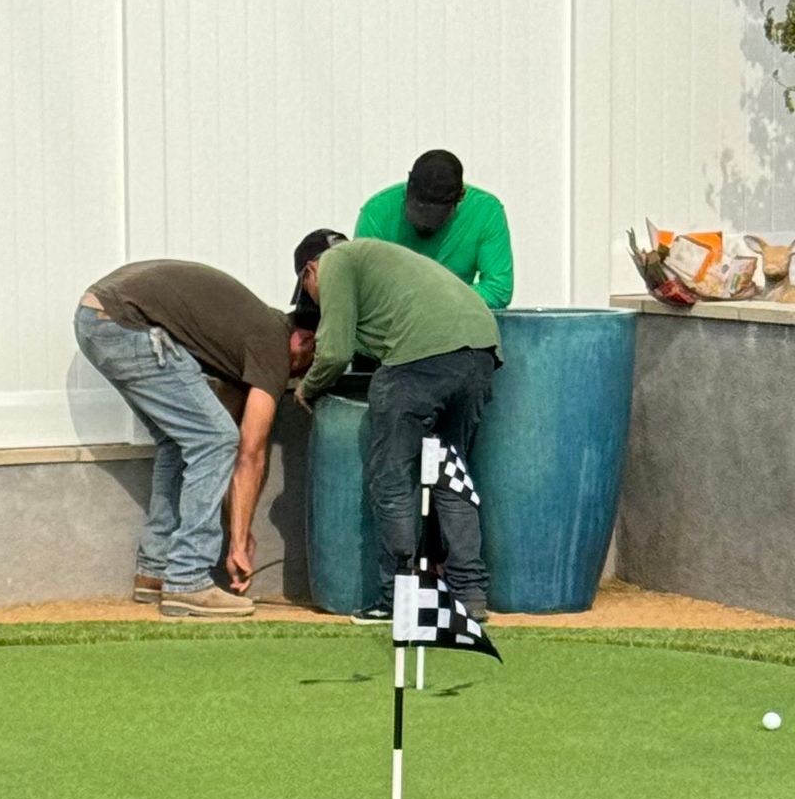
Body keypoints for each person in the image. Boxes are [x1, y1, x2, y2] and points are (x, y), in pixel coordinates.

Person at [74, 259, 308, 615]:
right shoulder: (273, 342)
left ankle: (156, 570)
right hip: (125, 323)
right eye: (312, 360)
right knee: (213, 439)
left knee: (181, 441)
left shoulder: (241, 337)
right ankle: (188, 577)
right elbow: (249, 452)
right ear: (304, 338)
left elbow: (218, 442)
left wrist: (238, 531)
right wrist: (239, 541)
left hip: (98, 319)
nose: (300, 375)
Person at [291, 228, 498, 615]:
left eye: (309, 295)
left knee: (391, 481)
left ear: (310, 271)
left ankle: (399, 599)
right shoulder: (384, 263)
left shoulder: (335, 261)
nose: (315, 304)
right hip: (481, 349)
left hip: (419, 358)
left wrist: (307, 387)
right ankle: (469, 594)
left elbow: (334, 353)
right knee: (450, 476)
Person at [354, 151, 513, 311]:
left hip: (456, 321)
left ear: (460, 196)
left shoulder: (486, 212)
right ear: (408, 188)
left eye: (436, 214)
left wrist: (433, 305)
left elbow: (498, 289)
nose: (424, 223)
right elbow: (364, 287)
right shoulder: (377, 212)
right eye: (418, 208)